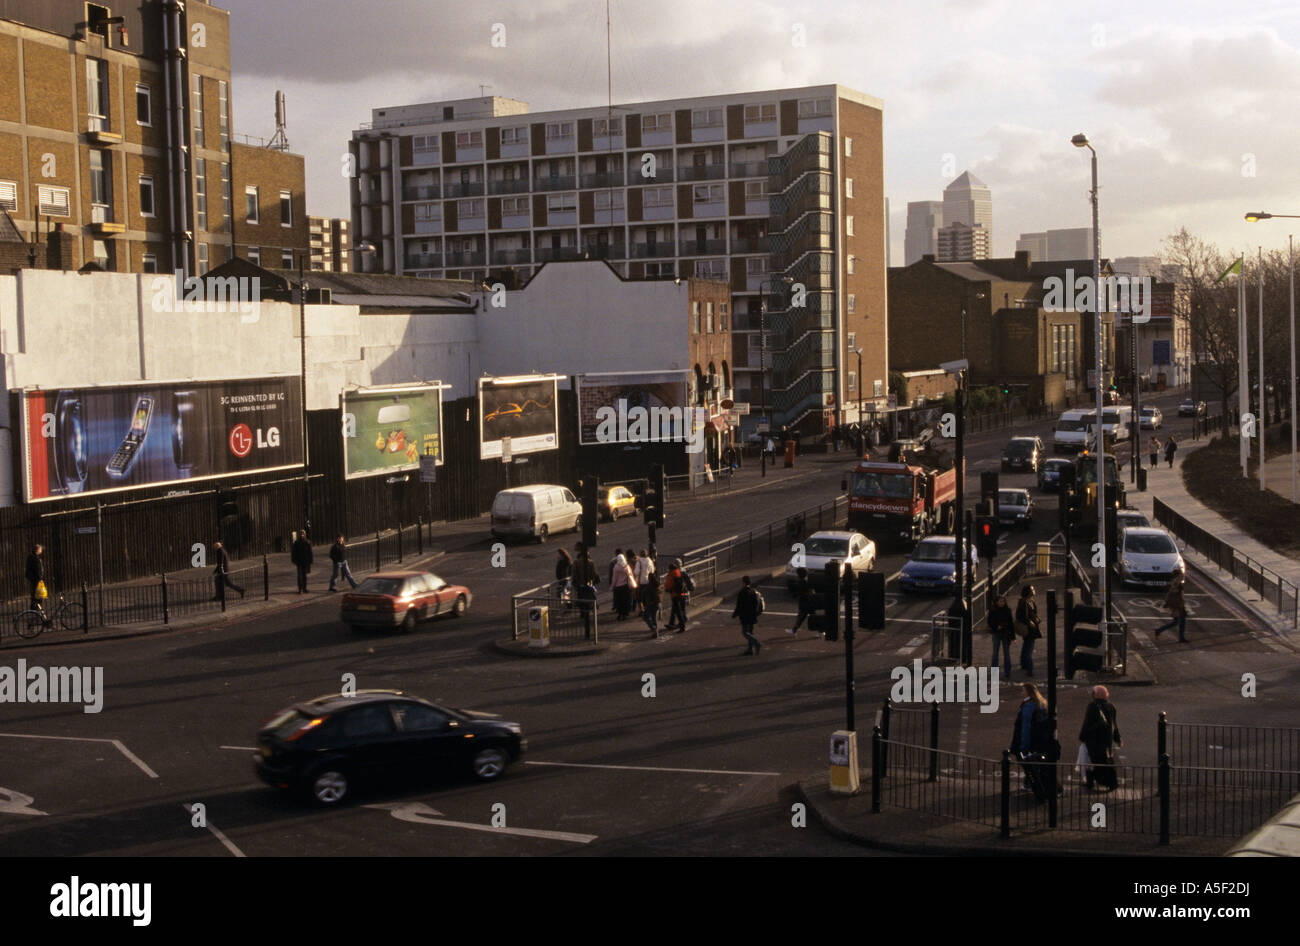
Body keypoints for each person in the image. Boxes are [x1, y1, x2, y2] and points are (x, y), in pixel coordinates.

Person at [1009, 683, 1052, 801]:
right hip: (1039, 740)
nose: (1021, 692)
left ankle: (1031, 784)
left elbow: (1025, 727)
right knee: (1034, 762)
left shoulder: (1028, 706)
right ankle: (1029, 783)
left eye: (1023, 690)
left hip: (1029, 740)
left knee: (1025, 761)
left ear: (1028, 692)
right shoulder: (1041, 703)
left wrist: (1023, 745)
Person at [1079, 684, 1122, 791]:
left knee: (1092, 761)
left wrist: (1082, 736)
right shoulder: (1111, 706)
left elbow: (1087, 723)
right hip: (1107, 741)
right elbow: (1114, 724)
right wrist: (1117, 738)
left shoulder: (1092, 706)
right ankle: (1109, 782)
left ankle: (1096, 782)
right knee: (1105, 761)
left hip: (1094, 740)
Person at [572, 542, 599, 640]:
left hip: (581, 587)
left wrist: (576, 585)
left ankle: (583, 614)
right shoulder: (591, 562)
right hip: (588, 586)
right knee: (589, 602)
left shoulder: (576, 562)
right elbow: (593, 575)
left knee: (582, 603)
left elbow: (574, 576)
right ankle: (588, 629)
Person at [733, 575, 764, 655]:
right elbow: (756, 603)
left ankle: (756, 643)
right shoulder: (753, 591)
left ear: (743, 583)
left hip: (745, 615)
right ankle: (750, 649)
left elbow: (739, 605)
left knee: (745, 632)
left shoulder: (742, 592)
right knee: (750, 631)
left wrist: (735, 613)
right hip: (752, 615)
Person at [1015, 584, 1042, 676]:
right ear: (1028, 592)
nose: (1034, 590)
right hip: (1029, 629)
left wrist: (1036, 618)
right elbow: (1021, 616)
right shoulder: (1023, 602)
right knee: (1029, 649)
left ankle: (1024, 665)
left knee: (1026, 646)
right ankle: (1029, 669)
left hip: (1032, 628)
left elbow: (1033, 613)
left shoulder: (1031, 602)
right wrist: (1029, 621)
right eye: (1032, 589)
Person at [1153, 572, 1188, 642]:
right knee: (1177, 622)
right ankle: (1159, 630)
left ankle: (1181, 637)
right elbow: (1172, 594)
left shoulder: (1178, 584)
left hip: (1179, 605)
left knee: (1180, 622)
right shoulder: (1176, 584)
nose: (1183, 576)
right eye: (1181, 575)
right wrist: (1169, 603)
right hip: (1177, 606)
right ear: (1178, 576)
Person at [987, 593, 1015, 677]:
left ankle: (1007, 671)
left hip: (1005, 633)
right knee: (995, 652)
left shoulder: (1007, 610)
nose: (1002, 603)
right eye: (1000, 601)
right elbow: (990, 622)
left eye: (1003, 601)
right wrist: (996, 627)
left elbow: (1011, 623)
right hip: (997, 633)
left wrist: (1013, 636)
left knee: (1006, 652)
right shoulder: (993, 611)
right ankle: (994, 671)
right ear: (996, 602)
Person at [786, 566, 819, 637]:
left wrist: (795, 595)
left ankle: (794, 631)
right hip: (809, 603)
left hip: (805, 603)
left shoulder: (802, 582)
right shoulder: (806, 580)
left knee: (803, 617)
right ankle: (794, 630)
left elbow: (801, 592)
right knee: (806, 617)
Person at [663, 558, 694, 633]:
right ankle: (675, 622)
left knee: (678, 609)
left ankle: (680, 624)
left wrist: (668, 589)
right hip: (683, 592)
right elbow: (688, 581)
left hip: (676, 594)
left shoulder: (674, 573)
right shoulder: (682, 572)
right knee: (679, 608)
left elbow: (669, 585)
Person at [610, 553, 637, 620]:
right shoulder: (626, 566)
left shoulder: (616, 567)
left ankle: (620, 614)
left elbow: (614, 578)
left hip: (618, 587)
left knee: (619, 602)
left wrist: (612, 586)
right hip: (626, 587)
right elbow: (630, 575)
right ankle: (625, 614)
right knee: (625, 601)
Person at [290, 530, 313, 594]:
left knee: (304, 575)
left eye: (303, 534)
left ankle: (304, 588)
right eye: (301, 534)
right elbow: (293, 552)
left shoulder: (307, 542)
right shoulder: (296, 542)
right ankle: (300, 589)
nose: (302, 535)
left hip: (305, 561)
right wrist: (294, 560)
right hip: (299, 561)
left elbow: (310, 552)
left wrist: (310, 560)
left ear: (305, 535)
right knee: (300, 576)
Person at [633, 548, 655, 616]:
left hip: (640, 582)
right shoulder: (650, 561)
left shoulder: (639, 562)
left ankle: (642, 610)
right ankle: (648, 610)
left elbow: (636, 572)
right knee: (647, 597)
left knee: (639, 597)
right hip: (648, 581)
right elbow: (652, 570)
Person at [642, 572, 662, 638]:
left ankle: (654, 629)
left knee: (645, 617)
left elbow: (644, 595)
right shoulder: (657, 584)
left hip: (650, 604)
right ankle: (655, 633)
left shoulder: (649, 586)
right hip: (657, 603)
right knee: (654, 618)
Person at [25, 544, 45, 609]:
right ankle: (36, 606)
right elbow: (37, 569)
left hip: (34, 578)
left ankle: (35, 606)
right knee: (37, 593)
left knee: (35, 592)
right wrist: (40, 577)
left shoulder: (32, 557)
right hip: (36, 578)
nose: (41, 550)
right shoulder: (34, 557)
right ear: (37, 550)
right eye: (40, 549)